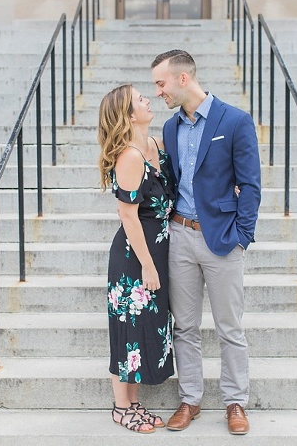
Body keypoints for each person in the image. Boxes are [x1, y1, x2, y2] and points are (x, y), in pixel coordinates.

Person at [152, 50, 261, 435]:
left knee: (229, 327)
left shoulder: (235, 121)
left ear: (183, 79)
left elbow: (250, 185)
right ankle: (190, 400)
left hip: (222, 239)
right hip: (180, 235)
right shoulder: (169, 128)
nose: (158, 91)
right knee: (184, 326)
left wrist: (242, 237)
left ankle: (235, 402)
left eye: (161, 83)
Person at [97, 84, 176, 434]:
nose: (148, 100)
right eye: (140, 99)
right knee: (128, 328)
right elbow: (127, 214)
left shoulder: (154, 145)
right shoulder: (130, 156)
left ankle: (134, 402)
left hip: (156, 249)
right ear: (130, 115)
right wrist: (147, 264)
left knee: (143, 327)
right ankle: (120, 407)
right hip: (134, 256)